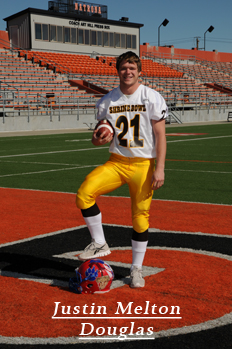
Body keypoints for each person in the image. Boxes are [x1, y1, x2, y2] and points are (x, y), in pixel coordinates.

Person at [76, 51, 167, 288]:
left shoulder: (151, 96)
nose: (128, 72)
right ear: (118, 71)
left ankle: (136, 269)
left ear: (139, 72)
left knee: (140, 219)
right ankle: (99, 242)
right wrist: (99, 138)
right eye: (124, 68)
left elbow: (160, 135)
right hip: (116, 162)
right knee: (84, 193)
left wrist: (160, 168)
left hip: (143, 165)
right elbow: (97, 139)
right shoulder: (107, 101)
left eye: (132, 68)